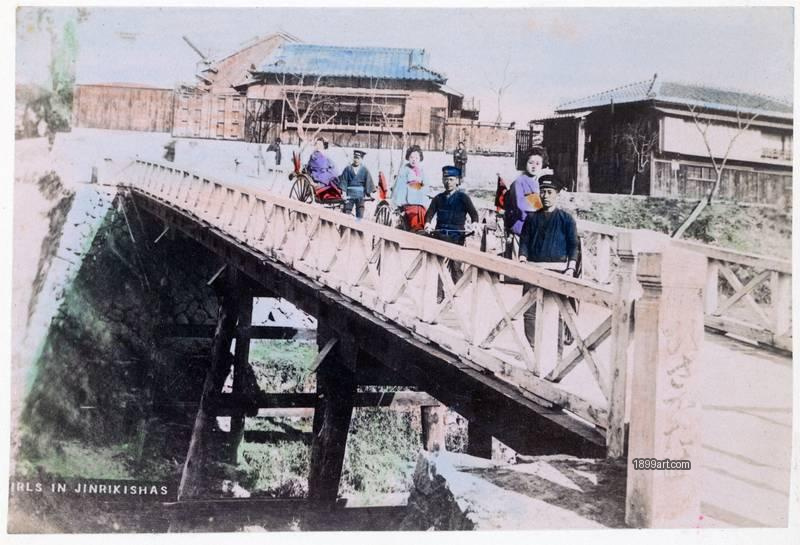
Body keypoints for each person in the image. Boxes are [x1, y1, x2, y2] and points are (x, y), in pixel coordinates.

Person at [518, 173, 579, 348]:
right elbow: (524, 241)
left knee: (559, 313)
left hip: (558, 270)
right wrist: (522, 258)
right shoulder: (531, 217)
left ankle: (556, 351)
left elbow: (574, 245)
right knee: (529, 312)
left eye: (550, 192)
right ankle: (533, 348)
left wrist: (571, 268)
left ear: (557, 194)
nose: (545, 196)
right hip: (534, 269)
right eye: (543, 192)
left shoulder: (566, 219)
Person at [503, 146, 548, 257]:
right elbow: (520, 205)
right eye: (531, 163)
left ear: (542, 165)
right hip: (521, 227)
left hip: (536, 229)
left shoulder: (539, 184)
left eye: (537, 164)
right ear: (525, 163)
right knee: (518, 263)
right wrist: (538, 209)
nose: (534, 166)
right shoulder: (519, 182)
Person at [424, 166, 479, 246]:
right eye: (446, 179)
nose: (448, 182)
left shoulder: (463, 198)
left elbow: (474, 214)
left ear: (457, 181)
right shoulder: (438, 198)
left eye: (451, 179)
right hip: (439, 235)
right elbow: (429, 213)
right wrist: (427, 224)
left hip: (457, 236)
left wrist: (474, 224)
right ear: (442, 181)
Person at [391, 145, 429, 232]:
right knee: (414, 213)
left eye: (416, 157)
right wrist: (398, 203)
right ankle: (415, 229)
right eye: (411, 157)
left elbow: (426, 185)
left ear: (420, 159)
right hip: (407, 201)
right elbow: (399, 186)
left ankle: (422, 229)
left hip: (420, 202)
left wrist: (421, 188)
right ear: (408, 158)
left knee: (424, 212)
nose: (413, 159)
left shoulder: (421, 171)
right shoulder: (404, 170)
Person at [339, 150, 375, 219]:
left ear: (361, 159)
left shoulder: (364, 170)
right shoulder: (348, 169)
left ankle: (358, 228)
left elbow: (368, 182)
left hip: (360, 195)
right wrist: (343, 193)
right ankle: (345, 228)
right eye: (355, 157)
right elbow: (344, 182)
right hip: (349, 195)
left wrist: (371, 195)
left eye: (358, 158)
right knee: (346, 213)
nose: (356, 160)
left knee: (360, 214)